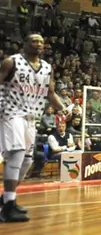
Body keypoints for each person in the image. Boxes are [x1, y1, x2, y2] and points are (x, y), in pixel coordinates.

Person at [0, 33, 65, 223]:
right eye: (34, 41)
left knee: (27, 161)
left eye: (41, 41)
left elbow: (50, 93)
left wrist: (64, 108)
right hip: (11, 113)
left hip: (31, 118)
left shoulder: (47, 68)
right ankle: (8, 207)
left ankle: (6, 199)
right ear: (25, 44)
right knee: (17, 154)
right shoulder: (11, 62)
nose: (38, 44)